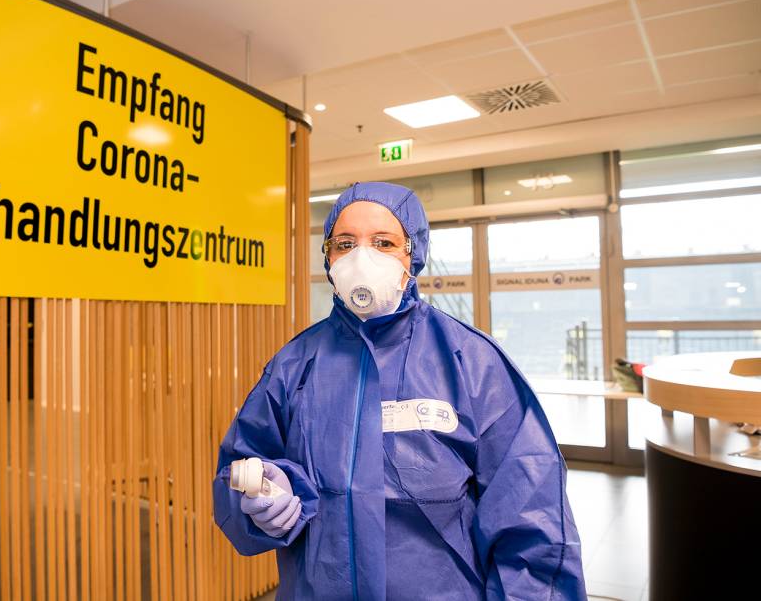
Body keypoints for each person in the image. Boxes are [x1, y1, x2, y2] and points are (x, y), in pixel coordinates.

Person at [213, 181, 587, 600]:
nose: (362, 258)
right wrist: (261, 499)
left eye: (384, 242)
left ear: (414, 254)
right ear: (329, 258)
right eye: (345, 243)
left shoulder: (470, 362)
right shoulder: (294, 365)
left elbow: (531, 521)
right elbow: (236, 473)